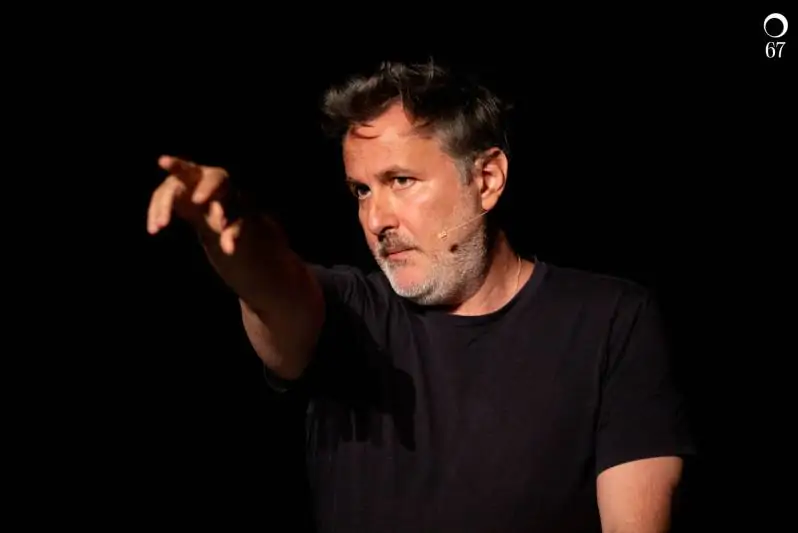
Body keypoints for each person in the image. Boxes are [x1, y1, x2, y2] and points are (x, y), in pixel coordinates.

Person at [147, 60, 694, 532]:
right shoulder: (348, 314)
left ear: (487, 179)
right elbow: (273, 285)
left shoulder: (610, 320)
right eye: (362, 190)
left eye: (401, 181)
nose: (375, 219)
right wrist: (232, 231)